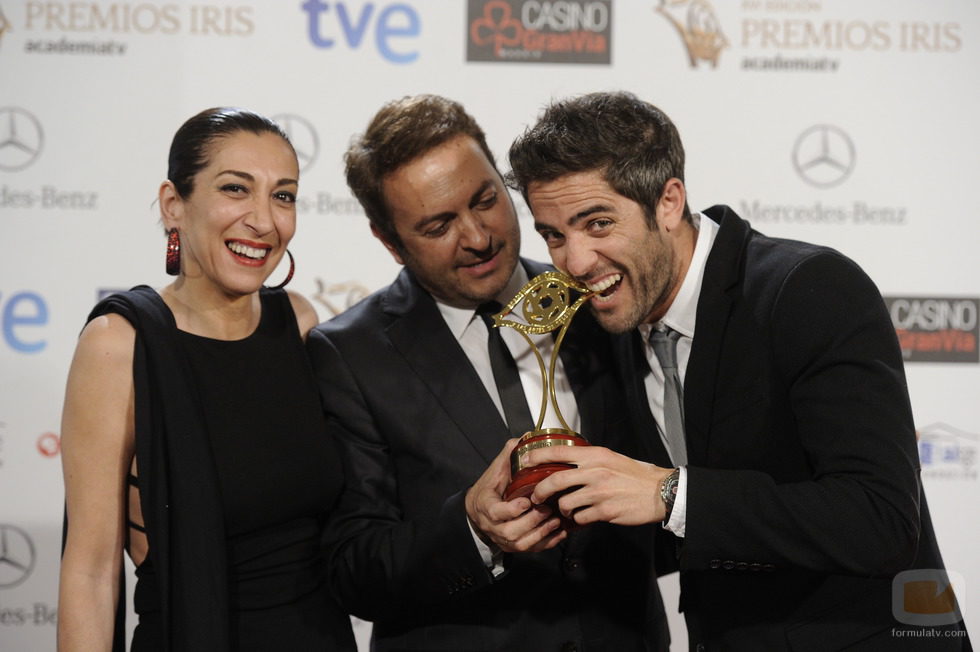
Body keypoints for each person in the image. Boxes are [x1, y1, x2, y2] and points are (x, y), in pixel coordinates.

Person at [506, 91, 971, 650]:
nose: (575, 262)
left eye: (598, 223)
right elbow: (682, 535)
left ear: (668, 202)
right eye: (554, 235)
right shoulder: (616, 319)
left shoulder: (809, 289)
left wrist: (671, 494)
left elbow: (881, 521)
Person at [306, 94, 668, 651]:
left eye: (485, 200)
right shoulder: (350, 354)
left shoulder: (599, 298)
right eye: (438, 226)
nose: (478, 238)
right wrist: (472, 530)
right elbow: (353, 570)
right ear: (389, 241)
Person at [57, 108, 356, 652]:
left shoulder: (298, 321)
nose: (263, 220)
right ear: (174, 204)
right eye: (235, 189)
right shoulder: (120, 344)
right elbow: (92, 572)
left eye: (283, 195)